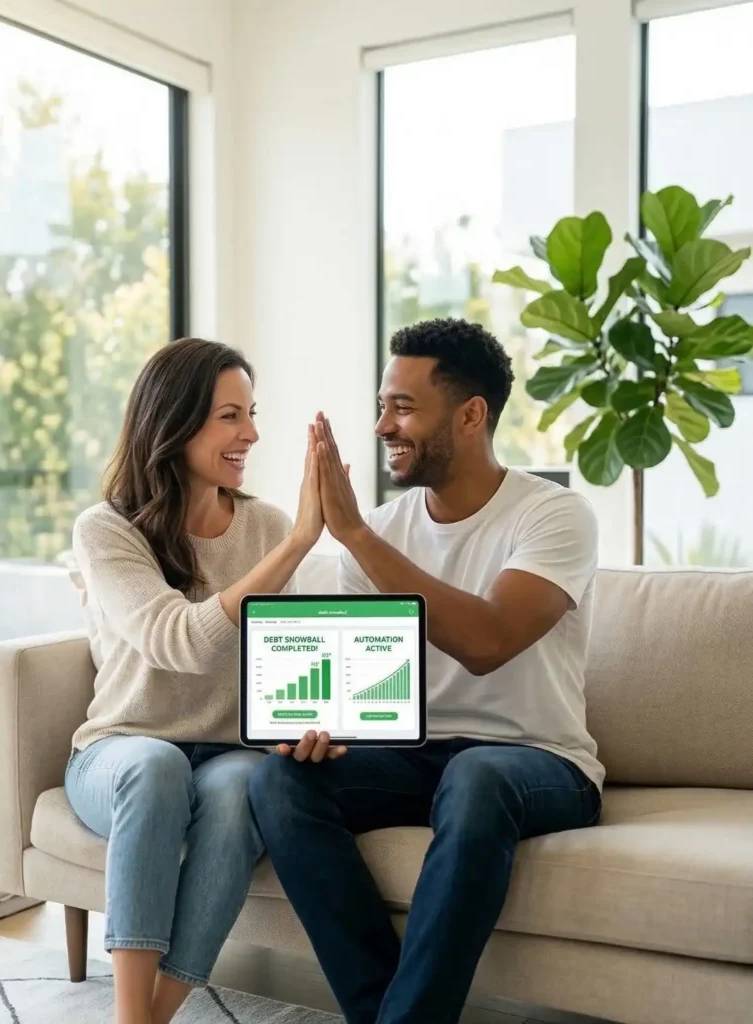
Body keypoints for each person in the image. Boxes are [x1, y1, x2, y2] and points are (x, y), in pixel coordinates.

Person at [248, 318, 603, 1024]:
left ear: (471, 415)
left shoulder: (553, 517)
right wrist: (322, 728)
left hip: (536, 762)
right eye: (381, 406)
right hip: (413, 756)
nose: (382, 426)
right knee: (279, 778)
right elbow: (363, 683)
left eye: (402, 407)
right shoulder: (380, 529)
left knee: (477, 775)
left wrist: (351, 534)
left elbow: (488, 639)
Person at [65, 338, 324, 1024]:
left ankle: (158, 1013)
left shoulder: (263, 525)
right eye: (229, 417)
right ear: (174, 422)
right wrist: (299, 543)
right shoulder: (108, 529)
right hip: (119, 751)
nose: (251, 435)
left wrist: (307, 726)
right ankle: (131, 1017)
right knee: (154, 767)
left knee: (244, 784)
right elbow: (174, 641)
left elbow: (288, 661)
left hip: (225, 754)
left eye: (251, 413)